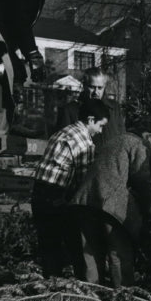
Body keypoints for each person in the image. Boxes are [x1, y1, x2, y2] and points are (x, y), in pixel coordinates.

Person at [30, 99, 109, 278]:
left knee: (48, 244)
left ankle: (50, 284)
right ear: (90, 120)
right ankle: (80, 283)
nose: (100, 131)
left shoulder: (63, 132)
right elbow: (83, 182)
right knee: (74, 241)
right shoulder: (84, 144)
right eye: (100, 126)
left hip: (39, 192)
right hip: (56, 194)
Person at [71, 130, 151, 287]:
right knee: (118, 252)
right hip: (109, 203)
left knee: (90, 252)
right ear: (149, 136)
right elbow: (141, 179)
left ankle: (91, 297)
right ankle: (123, 297)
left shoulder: (114, 139)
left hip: (85, 199)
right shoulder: (139, 144)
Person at [54, 66, 125, 138]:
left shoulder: (114, 108)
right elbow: (62, 141)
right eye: (92, 87)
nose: (96, 92)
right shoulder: (70, 110)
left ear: (104, 87)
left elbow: (122, 137)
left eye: (100, 88)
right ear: (84, 85)